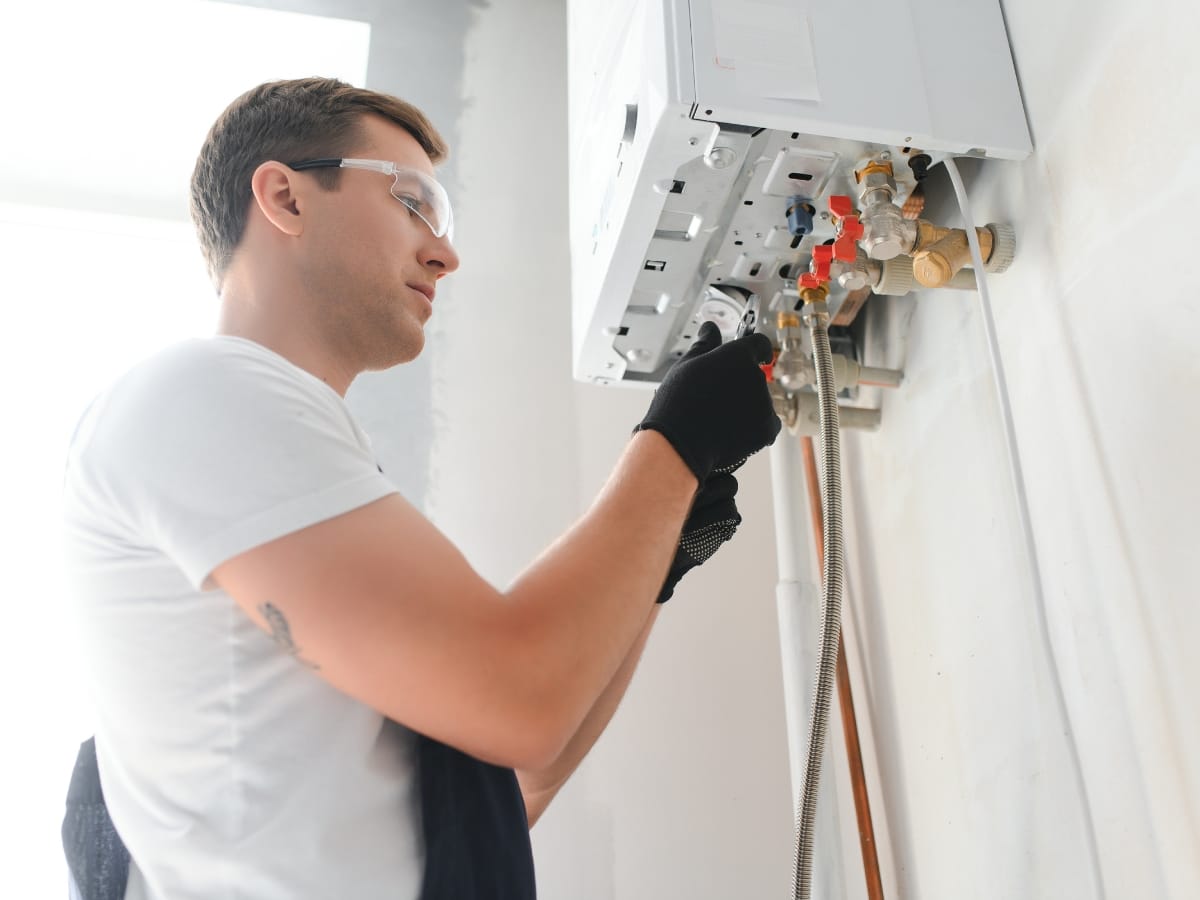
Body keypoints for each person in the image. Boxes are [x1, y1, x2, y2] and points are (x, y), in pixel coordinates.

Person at [61, 77, 780, 899]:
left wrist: (661, 554)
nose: (446, 253)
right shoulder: (201, 395)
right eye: (412, 202)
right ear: (285, 197)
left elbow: (508, 780)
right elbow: (520, 702)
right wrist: (673, 446)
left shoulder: (280, 453)